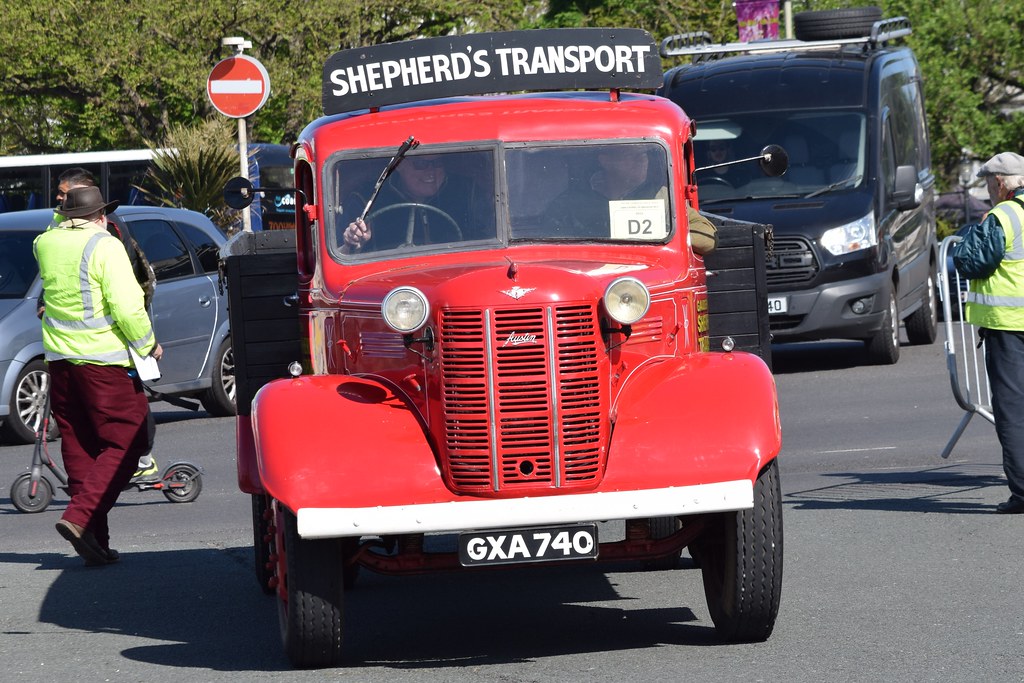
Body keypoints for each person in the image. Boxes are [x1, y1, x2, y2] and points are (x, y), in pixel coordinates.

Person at [33, 186, 163, 564]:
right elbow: (127, 305)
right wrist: (147, 344)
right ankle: (79, 517)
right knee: (130, 440)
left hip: (60, 361)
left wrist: (64, 216)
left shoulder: (46, 243)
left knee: (80, 446)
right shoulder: (105, 245)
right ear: (100, 216)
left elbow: (55, 225)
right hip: (103, 362)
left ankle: (95, 540)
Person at [40, 169, 161, 483]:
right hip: (87, 347)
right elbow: (61, 271)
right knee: (106, 422)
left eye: (64, 194)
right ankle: (90, 503)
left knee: (130, 409)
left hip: (115, 335)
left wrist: (144, 342)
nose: (58, 199)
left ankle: (139, 460)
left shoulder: (108, 234)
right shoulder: (59, 230)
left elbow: (127, 291)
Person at [951, 151, 1024, 514]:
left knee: (1011, 409)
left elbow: (969, 261)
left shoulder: (1003, 216)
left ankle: (1023, 492)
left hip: (1009, 325)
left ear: (1000, 183)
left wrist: (972, 236)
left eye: (987, 183)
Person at [340, 154, 481, 253]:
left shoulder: (466, 192)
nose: (431, 172)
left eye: (437, 163)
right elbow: (338, 255)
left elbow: (486, 240)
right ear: (399, 166)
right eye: (421, 164)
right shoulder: (365, 199)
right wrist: (354, 242)